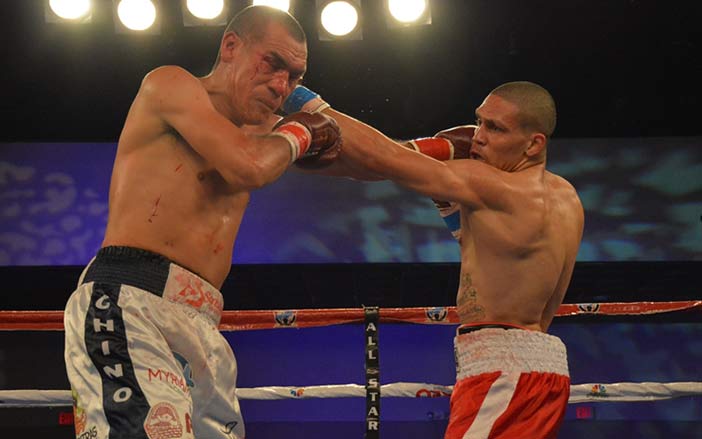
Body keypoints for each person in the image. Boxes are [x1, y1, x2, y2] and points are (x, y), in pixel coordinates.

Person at [63, 6, 341, 439]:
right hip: (131, 300)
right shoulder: (170, 85)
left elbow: (372, 158)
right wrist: (302, 131)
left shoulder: (271, 132)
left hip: (203, 322)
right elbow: (248, 167)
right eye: (273, 64)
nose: (282, 85)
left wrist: (439, 154)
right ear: (231, 46)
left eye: (295, 78)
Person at [283, 81, 584, 438]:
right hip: (543, 371)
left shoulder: (491, 184)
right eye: (480, 121)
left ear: (534, 143)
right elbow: (516, 271)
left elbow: (386, 159)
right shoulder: (567, 198)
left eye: (495, 128)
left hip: (502, 375)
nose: (478, 136)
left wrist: (305, 104)